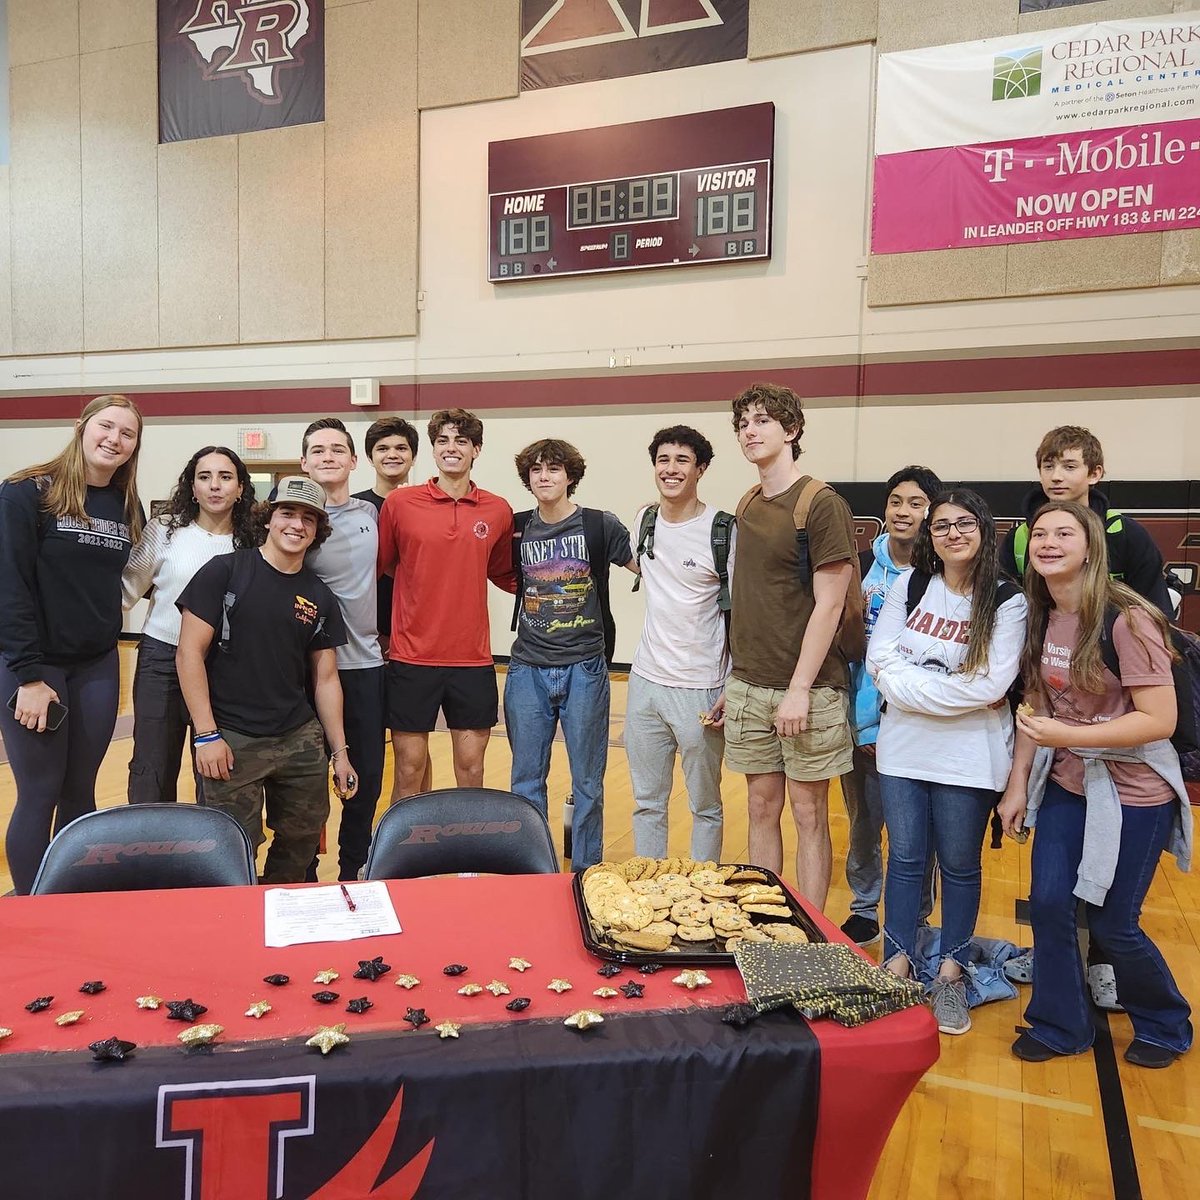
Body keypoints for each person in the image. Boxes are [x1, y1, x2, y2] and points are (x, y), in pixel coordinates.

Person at [999, 501, 1192, 1068]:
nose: (1049, 542)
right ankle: (1060, 1024)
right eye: (1039, 533)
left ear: (1090, 549)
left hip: (1135, 793)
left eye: (1064, 533)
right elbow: (1036, 707)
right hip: (1069, 783)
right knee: (1048, 905)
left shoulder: (1127, 620)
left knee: (1114, 924)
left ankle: (1164, 1023)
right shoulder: (1040, 614)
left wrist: (1069, 733)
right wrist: (1017, 785)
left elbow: (1160, 719)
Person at [867, 489, 1027, 1035]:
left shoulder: (1006, 600)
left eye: (964, 523)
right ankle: (897, 962)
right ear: (930, 535)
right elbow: (878, 660)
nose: (952, 533)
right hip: (903, 751)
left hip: (969, 758)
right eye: (941, 525)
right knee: (905, 859)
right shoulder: (913, 584)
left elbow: (991, 685)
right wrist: (947, 692)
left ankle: (952, 974)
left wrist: (908, 688)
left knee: (959, 865)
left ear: (984, 529)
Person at [176, 477, 357, 884]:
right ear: (268, 519)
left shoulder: (319, 595)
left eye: (308, 518)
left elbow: (326, 679)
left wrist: (340, 753)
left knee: (302, 839)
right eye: (287, 513)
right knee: (231, 846)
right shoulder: (224, 572)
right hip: (231, 737)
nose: (296, 525)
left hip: (298, 737)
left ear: (318, 530)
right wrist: (206, 735)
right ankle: (235, 916)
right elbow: (188, 654)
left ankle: (278, 902)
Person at [718, 382, 857, 911]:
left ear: (792, 430)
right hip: (750, 685)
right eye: (743, 423)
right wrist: (736, 678)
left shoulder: (821, 504)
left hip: (809, 690)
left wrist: (799, 690)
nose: (749, 431)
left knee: (809, 813)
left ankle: (810, 933)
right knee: (759, 808)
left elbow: (830, 603)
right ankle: (765, 922)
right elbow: (750, 599)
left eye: (762, 421)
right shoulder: (748, 502)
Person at [0, 395, 145, 894]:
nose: (114, 439)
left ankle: (73, 903)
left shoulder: (125, 504)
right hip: (35, 667)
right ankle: (32, 910)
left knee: (80, 791)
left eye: (127, 433)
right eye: (106, 426)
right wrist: (29, 676)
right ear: (81, 427)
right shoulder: (26, 492)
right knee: (40, 791)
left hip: (97, 664)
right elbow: (9, 586)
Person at [506, 438, 635, 869]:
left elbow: (649, 566)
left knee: (588, 784)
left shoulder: (599, 524)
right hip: (527, 668)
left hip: (585, 667)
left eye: (554, 469)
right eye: (536, 470)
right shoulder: (517, 527)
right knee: (526, 781)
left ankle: (586, 872)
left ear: (570, 477)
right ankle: (533, 869)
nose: (544, 477)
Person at [378, 408, 517, 801]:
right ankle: (403, 843)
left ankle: (468, 843)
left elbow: (503, 572)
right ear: (433, 448)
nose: (451, 448)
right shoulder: (400, 504)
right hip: (411, 657)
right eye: (442, 440)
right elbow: (382, 566)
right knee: (408, 769)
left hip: (472, 660)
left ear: (476, 449)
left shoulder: (498, 509)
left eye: (461, 441)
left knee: (472, 769)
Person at [840, 465, 943, 947]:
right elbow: (846, 646)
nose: (904, 512)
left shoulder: (942, 573)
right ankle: (863, 908)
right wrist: (862, 724)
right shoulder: (860, 566)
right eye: (896, 501)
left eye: (916, 503)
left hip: (917, 724)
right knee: (864, 824)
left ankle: (916, 916)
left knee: (915, 834)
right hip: (862, 719)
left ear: (932, 512)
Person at [121, 446, 259, 805]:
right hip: (162, 660)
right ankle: (148, 838)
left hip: (223, 664)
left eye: (225, 477)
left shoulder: (253, 542)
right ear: (192, 487)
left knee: (217, 768)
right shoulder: (164, 530)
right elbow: (125, 592)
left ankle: (212, 839)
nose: (215, 485)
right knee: (152, 764)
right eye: (204, 477)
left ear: (240, 488)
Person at [627, 425, 734, 862]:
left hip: (701, 687)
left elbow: (742, 609)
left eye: (682, 461)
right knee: (647, 802)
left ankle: (703, 888)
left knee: (705, 805)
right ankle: (649, 886)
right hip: (644, 682)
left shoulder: (723, 530)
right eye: (663, 460)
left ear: (701, 469)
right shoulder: (644, 519)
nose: (670, 469)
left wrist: (733, 680)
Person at [301, 418, 387, 881]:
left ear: (354, 460)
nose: (328, 456)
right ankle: (304, 869)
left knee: (366, 776)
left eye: (337, 449)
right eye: (318, 450)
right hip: (304, 669)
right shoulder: (294, 519)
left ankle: (353, 868)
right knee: (306, 779)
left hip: (364, 664)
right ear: (304, 462)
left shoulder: (370, 513)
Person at [352, 415, 432, 793]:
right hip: (365, 641)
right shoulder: (356, 508)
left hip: (414, 642)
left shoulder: (427, 505)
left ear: (413, 456)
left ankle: (418, 818)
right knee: (364, 741)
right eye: (382, 448)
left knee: (414, 742)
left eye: (401, 447)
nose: (392, 454)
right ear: (370, 457)